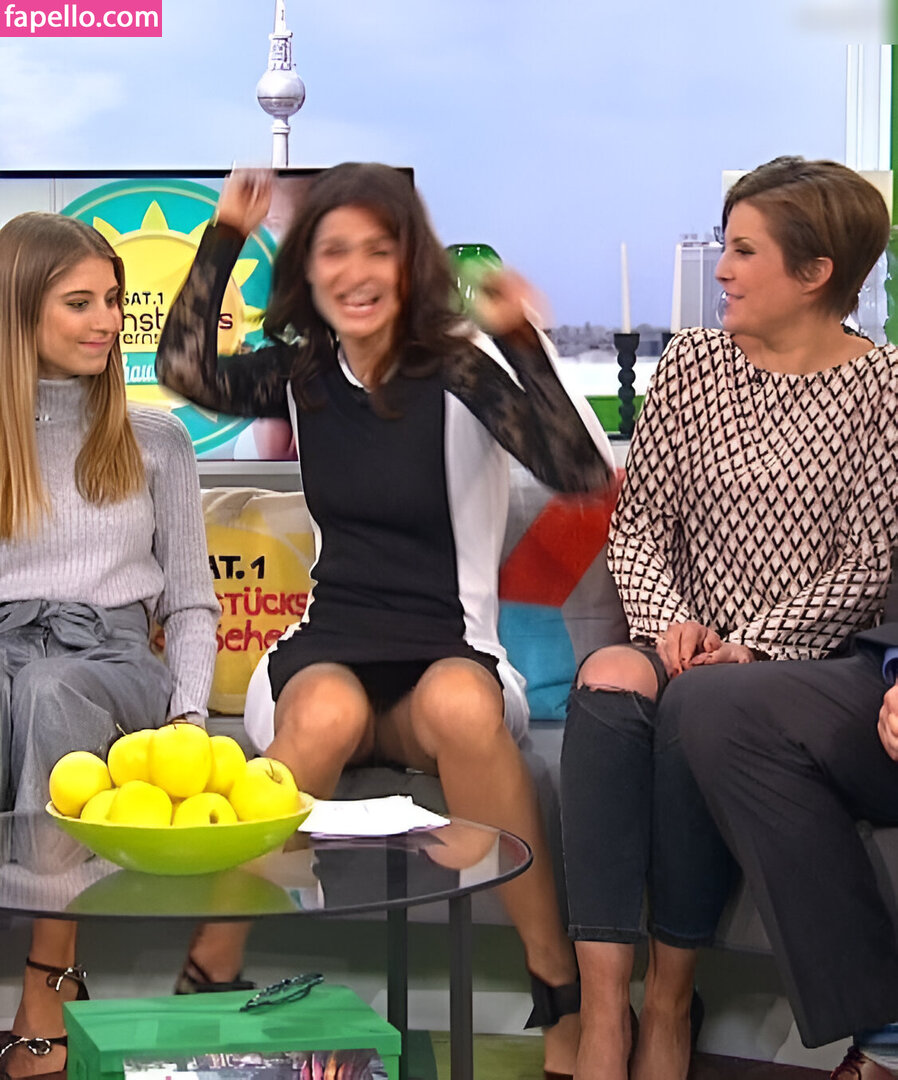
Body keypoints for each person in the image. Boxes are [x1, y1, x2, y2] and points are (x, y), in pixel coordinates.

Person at [155, 161, 616, 1078]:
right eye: (334, 251)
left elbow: (578, 472)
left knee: (459, 706)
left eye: (379, 250)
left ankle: (555, 981)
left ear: (413, 265)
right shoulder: (303, 373)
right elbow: (183, 370)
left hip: (451, 646)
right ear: (308, 268)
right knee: (326, 716)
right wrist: (224, 237)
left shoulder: (458, 368)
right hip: (329, 646)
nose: (356, 273)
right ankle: (208, 968)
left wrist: (521, 340)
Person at [559, 157, 897, 1080]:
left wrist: (753, 644)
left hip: (804, 660)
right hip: (682, 633)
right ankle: (603, 1014)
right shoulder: (693, 365)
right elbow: (639, 527)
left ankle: (671, 1005)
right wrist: (672, 623)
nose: (722, 270)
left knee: (703, 703)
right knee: (609, 681)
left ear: (816, 271)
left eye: (745, 251)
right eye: (724, 246)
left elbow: (868, 567)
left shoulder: (884, 388)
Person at [0, 212, 219, 1079]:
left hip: (112, 661)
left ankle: (48, 983)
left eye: (114, 301)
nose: (107, 322)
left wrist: (190, 717)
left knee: (51, 691)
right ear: (20, 312)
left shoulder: (155, 438)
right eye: (80, 303)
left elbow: (192, 604)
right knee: (23, 685)